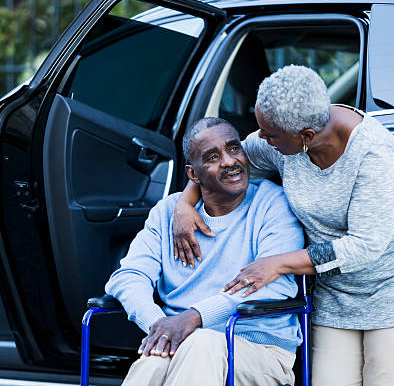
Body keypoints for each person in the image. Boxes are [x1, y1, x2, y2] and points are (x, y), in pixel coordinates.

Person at [173, 65, 394, 386]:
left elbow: (364, 246)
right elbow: (230, 164)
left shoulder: (372, 154)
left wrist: (278, 263)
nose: (260, 139)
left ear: (306, 136)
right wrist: (185, 203)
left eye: (268, 134)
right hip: (340, 290)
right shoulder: (282, 139)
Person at [105, 117, 304, 386]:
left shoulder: (272, 204)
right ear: (193, 175)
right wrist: (160, 326)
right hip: (185, 342)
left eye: (234, 149)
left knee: (202, 342)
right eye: (212, 157)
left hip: (260, 351)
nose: (229, 161)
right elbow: (127, 276)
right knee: (153, 361)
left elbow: (274, 285)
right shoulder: (168, 213)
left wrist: (195, 317)